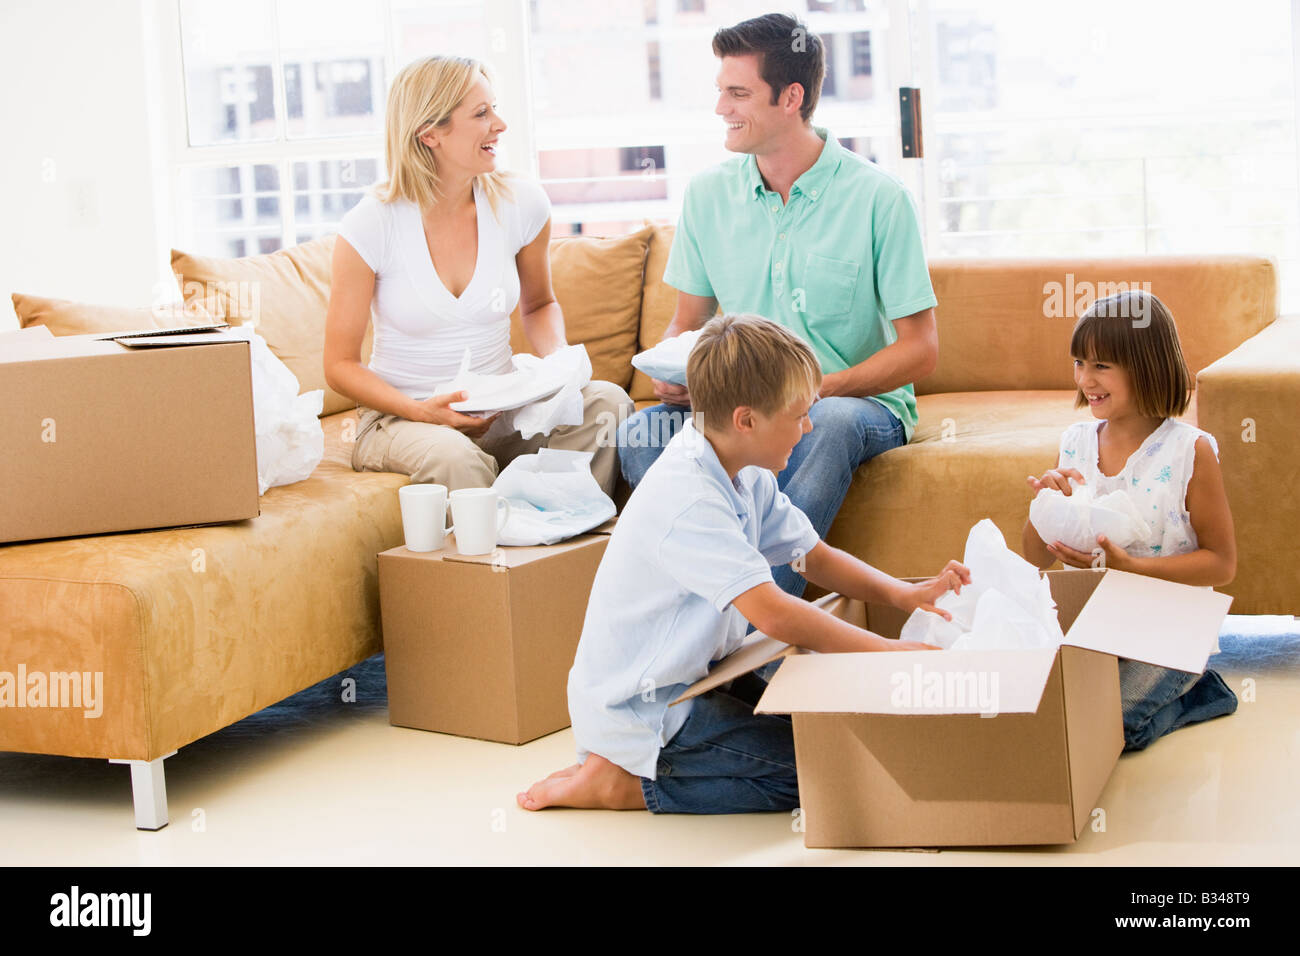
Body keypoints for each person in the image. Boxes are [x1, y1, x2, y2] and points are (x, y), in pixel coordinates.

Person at [518, 315, 968, 814]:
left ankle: (630, 766)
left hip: (703, 677)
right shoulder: (689, 496)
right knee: (829, 774)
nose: (809, 426)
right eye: (799, 415)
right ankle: (626, 784)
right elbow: (774, 614)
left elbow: (810, 556)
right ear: (746, 420)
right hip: (651, 709)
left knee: (836, 733)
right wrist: (884, 652)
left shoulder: (742, 468)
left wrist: (901, 594)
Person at [617, 13, 939, 597]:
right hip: (744, 404)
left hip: (852, 405)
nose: (721, 108)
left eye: (738, 93)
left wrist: (821, 388)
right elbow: (686, 325)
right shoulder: (708, 195)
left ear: (791, 97)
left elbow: (920, 351)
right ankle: (710, 606)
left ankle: (757, 636)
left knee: (827, 425)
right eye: (720, 91)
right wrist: (678, 375)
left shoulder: (878, 200)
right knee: (643, 432)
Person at [324, 55, 632, 496]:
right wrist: (423, 411)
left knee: (607, 404)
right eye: (481, 113)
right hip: (403, 419)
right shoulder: (371, 225)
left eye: (495, 108)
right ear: (430, 133)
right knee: (455, 456)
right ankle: (495, 557)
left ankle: (553, 545)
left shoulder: (521, 203)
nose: (500, 124)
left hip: (501, 407)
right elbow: (339, 365)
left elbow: (539, 305)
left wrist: (560, 364)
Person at [1022, 290, 1239, 751]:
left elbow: (1221, 564)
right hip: (1098, 619)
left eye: (1101, 366)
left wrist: (1132, 570)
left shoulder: (1190, 450)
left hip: (1172, 624)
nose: (1085, 379)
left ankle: (1202, 691)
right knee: (1051, 712)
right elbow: (1033, 554)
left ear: (1146, 365)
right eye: (1080, 363)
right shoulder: (1076, 441)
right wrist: (1045, 502)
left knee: (1110, 724)